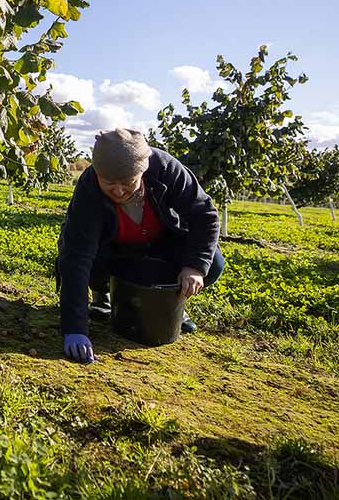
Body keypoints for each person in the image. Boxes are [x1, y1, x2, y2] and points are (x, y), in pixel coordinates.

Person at [56, 129, 224, 363]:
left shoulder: (166, 169)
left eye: (127, 182)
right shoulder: (89, 188)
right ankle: (102, 295)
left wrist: (195, 266)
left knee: (212, 263)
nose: (118, 190)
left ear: (142, 172)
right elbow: (76, 256)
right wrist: (74, 329)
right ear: (97, 174)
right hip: (113, 250)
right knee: (88, 265)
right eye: (109, 183)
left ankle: (172, 307)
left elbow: (204, 214)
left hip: (161, 243)